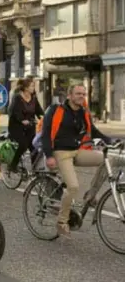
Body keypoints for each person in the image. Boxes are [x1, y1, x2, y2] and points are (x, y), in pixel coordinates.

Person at [41, 84, 113, 238]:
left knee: (107, 159)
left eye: (84, 94)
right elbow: (45, 134)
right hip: (61, 153)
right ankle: (62, 222)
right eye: (78, 93)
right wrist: (49, 156)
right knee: (73, 187)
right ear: (69, 95)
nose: (82, 96)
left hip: (78, 150)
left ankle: (90, 195)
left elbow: (92, 131)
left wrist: (111, 141)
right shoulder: (56, 110)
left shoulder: (83, 112)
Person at [8, 78, 44, 172]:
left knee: (34, 147)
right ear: (26, 88)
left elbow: (39, 111)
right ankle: (13, 165)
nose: (33, 88)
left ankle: (35, 170)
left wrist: (45, 119)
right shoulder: (17, 97)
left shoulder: (34, 98)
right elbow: (14, 112)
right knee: (23, 145)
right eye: (32, 86)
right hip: (16, 127)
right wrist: (22, 120)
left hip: (30, 127)